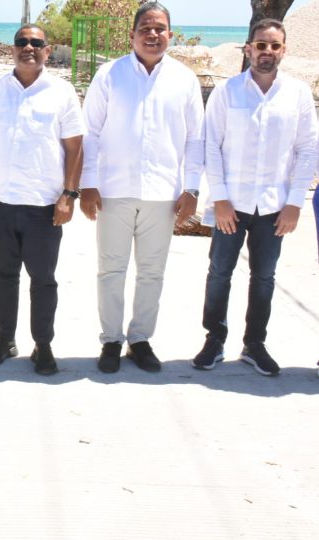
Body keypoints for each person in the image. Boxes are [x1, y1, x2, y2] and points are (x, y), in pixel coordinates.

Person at [80, 1, 204, 374]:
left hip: (163, 193)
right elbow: (91, 132)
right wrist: (87, 183)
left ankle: (140, 339)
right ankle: (111, 341)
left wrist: (193, 188)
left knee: (152, 272)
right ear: (132, 34)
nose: (153, 34)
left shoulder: (184, 79)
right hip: (113, 190)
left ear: (169, 34)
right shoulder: (109, 75)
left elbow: (196, 139)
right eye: (146, 28)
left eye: (160, 28)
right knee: (111, 270)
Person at [192, 18, 317, 376]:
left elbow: (308, 149)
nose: (267, 52)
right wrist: (220, 198)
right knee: (219, 272)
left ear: (284, 50)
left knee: (264, 276)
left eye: (274, 46)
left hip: (275, 205)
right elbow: (210, 146)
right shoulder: (228, 91)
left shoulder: (297, 94)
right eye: (260, 45)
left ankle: (254, 344)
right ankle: (213, 340)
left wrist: (294, 202)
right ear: (248, 49)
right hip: (231, 202)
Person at [0, 24, 84, 376]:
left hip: (44, 206)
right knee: (2, 276)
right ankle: (5, 339)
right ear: (12, 49)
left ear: (47, 50)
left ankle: (43, 344)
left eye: (35, 43)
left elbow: (75, 148)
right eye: (21, 42)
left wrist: (69, 195)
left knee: (43, 279)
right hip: (0, 203)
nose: (28, 47)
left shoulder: (62, 92)